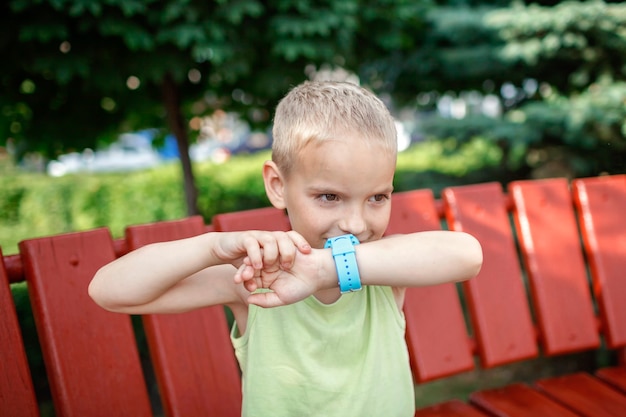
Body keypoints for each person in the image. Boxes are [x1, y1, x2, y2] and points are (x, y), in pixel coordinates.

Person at [88, 81, 483, 417]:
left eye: (377, 197)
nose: (357, 224)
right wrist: (213, 247)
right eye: (329, 196)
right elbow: (108, 290)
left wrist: (329, 269)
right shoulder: (256, 278)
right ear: (278, 185)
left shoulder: (383, 267)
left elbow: (467, 253)